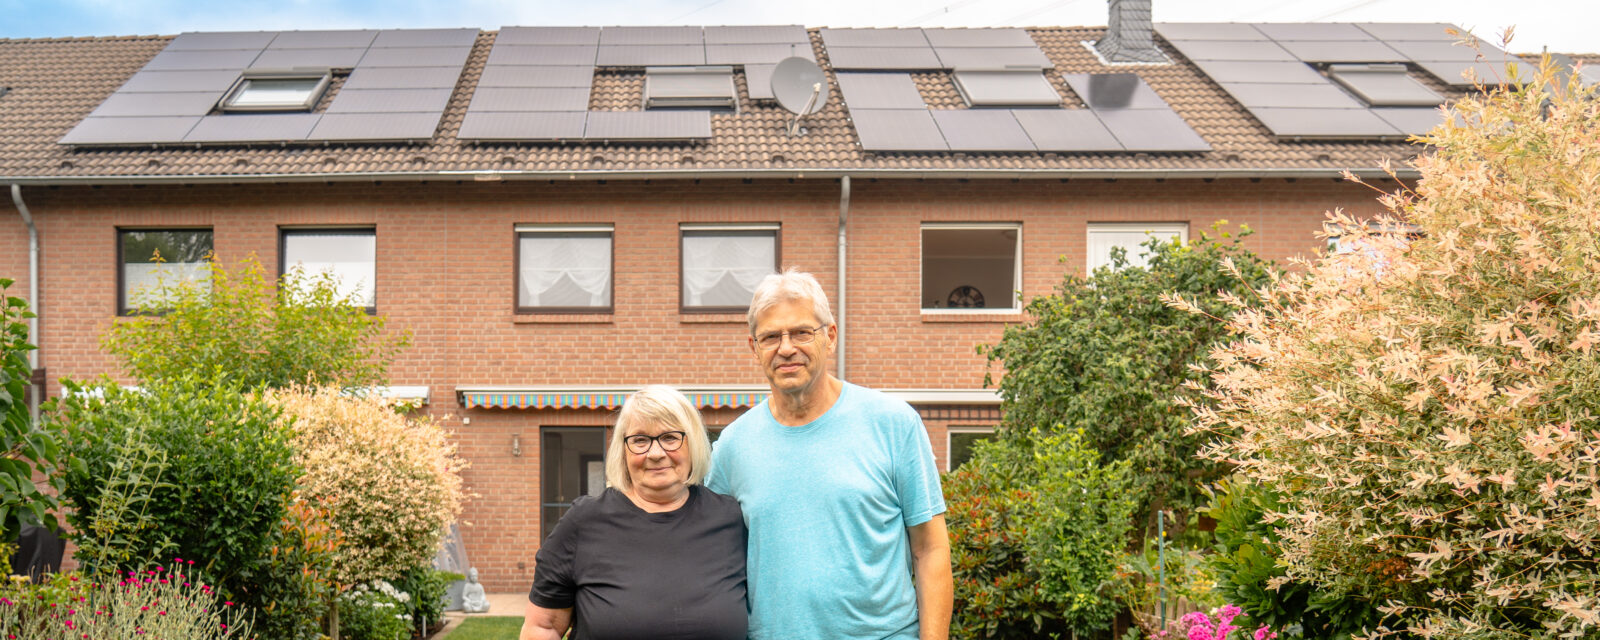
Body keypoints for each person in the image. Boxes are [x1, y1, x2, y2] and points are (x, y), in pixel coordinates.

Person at [707, 268, 953, 640]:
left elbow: (931, 549)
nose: (786, 348)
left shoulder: (893, 424)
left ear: (830, 337)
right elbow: (712, 559)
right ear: (754, 348)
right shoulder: (732, 447)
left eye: (802, 332)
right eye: (771, 336)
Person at [521, 385, 747, 640]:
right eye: (640, 440)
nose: (655, 453)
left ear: (692, 442)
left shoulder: (731, 521)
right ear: (623, 449)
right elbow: (543, 626)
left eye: (670, 438)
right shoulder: (583, 523)